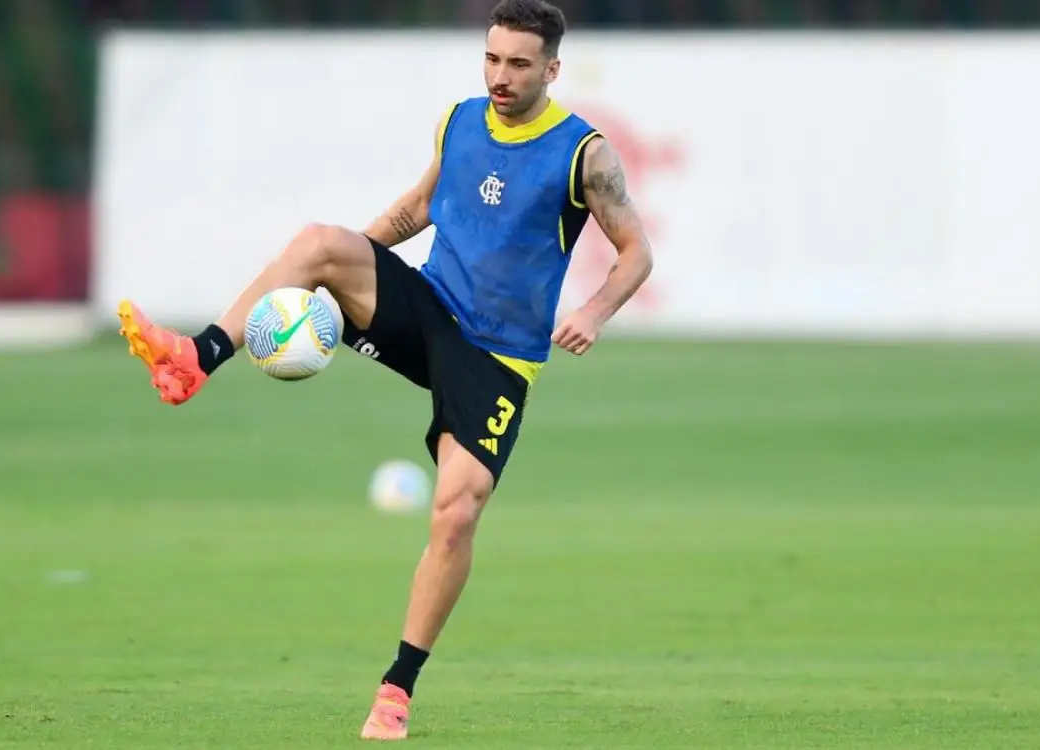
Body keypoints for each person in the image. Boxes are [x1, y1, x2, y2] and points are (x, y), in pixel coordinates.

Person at [115, 0, 653, 740]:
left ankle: (396, 689)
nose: (500, 75)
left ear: (551, 69)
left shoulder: (583, 154)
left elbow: (637, 252)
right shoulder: (460, 119)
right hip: (428, 308)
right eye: (492, 58)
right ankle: (197, 357)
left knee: (456, 510)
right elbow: (420, 207)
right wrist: (344, 271)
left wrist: (591, 313)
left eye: (519, 63)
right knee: (317, 242)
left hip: (497, 357)